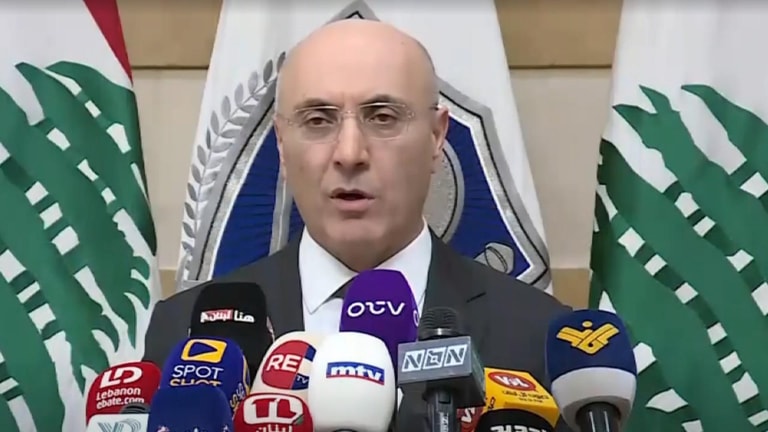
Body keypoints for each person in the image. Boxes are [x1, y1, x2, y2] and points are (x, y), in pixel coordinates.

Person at [143, 18, 572, 431]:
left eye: (382, 117)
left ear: (437, 136)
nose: (349, 154)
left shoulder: (537, 335)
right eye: (318, 120)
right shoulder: (182, 333)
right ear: (282, 145)